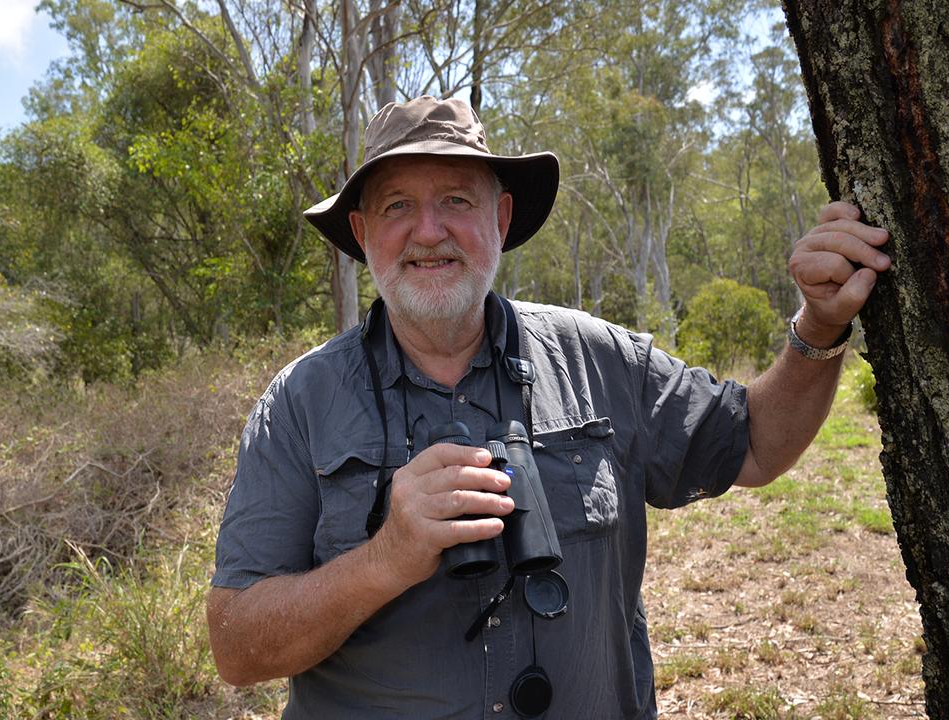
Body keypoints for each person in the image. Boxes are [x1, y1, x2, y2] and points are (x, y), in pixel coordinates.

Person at [207, 96, 890, 718]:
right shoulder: (298, 404)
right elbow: (237, 648)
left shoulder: (596, 358)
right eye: (395, 207)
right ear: (362, 232)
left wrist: (819, 326)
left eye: (456, 200)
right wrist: (385, 557)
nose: (428, 231)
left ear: (499, 218)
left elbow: (756, 444)